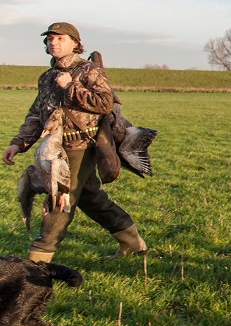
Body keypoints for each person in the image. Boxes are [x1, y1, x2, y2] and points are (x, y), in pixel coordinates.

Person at [2, 22, 148, 262]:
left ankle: (38, 260)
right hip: (57, 146)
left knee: (60, 200)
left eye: (60, 38)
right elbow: (37, 114)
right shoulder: (47, 77)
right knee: (91, 198)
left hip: (82, 146)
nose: (54, 43)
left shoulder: (89, 70)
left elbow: (104, 103)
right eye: (50, 39)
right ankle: (132, 242)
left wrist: (70, 86)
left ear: (75, 44)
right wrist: (18, 143)